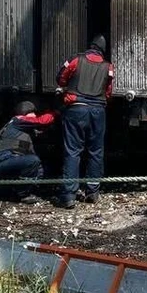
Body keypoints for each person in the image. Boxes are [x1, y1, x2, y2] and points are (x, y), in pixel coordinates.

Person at [56, 34, 114, 208]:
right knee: (96, 151)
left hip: (76, 108)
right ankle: (93, 192)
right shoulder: (108, 66)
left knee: (73, 151)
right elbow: (108, 91)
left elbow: (61, 78)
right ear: (103, 50)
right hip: (98, 111)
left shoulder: (76, 60)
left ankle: (68, 196)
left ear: (90, 45)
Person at [0, 100, 56, 204]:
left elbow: (22, 148)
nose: (34, 117)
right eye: (33, 115)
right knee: (33, 161)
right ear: (25, 114)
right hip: (2, 162)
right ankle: (23, 194)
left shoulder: (19, 130)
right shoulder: (18, 120)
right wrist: (54, 112)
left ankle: (17, 190)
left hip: (7, 162)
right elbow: (42, 121)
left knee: (39, 167)